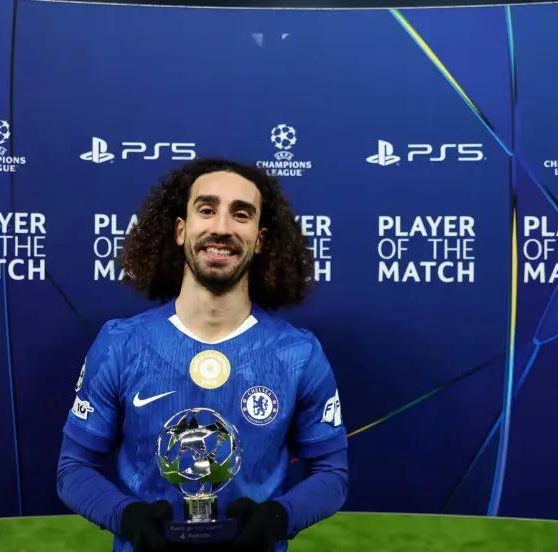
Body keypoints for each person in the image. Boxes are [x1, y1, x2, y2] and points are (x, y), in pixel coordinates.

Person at [57, 158, 348, 552]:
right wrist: (127, 516)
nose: (222, 228)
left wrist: (280, 517)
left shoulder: (298, 353)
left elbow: (332, 473)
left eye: (241, 214)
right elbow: (74, 469)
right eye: (207, 210)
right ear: (181, 230)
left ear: (260, 240)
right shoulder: (121, 344)